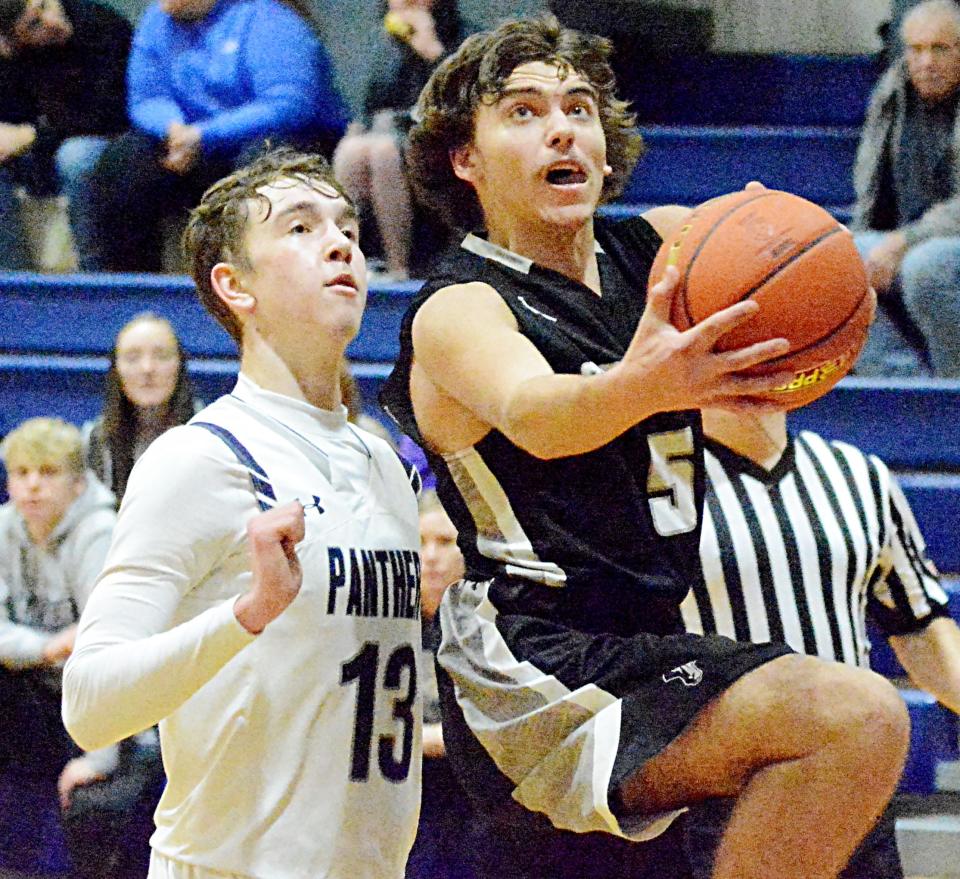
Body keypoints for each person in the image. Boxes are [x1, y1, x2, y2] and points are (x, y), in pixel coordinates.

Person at [380, 16, 910, 879]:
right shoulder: (460, 307)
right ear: (463, 160)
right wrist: (655, 383)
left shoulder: (666, 248)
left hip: (652, 641)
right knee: (854, 716)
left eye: (579, 107)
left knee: (856, 733)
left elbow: (796, 287)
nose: (562, 127)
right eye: (522, 112)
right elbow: (541, 412)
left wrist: (781, 253)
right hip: (532, 663)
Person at [62, 146, 422, 879]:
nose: (339, 241)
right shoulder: (201, 458)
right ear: (235, 286)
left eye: (346, 224)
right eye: (299, 226)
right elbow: (89, 703)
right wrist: (248, 612)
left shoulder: (381, 461)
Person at [680, 406, 960, 879]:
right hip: (710, 795)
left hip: (849, 788)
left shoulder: (859, 473)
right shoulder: (646, 480)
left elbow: (918, 625)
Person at [85, 0, 349, 272]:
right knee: (124, 161)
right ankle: (128, 288)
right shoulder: (156, 21)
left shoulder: (270, 19)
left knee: (264, 164)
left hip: (275, 139)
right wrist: (172, 129)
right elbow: (146, 97)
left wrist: (204, 135)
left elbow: (289, 104)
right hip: (190, 146)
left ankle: (263, 281)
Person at [0, 417, 118, 872]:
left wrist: (100, 757)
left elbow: (108, 646)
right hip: (41, 686)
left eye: (47, 473)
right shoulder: (6, 528)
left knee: (98, 799)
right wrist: (47, 647)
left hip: (98, 702)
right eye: (22, 473)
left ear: (77, 483)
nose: (32, 486)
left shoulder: (98, 532)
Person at [852, 0, 960, 377]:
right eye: (916, 49)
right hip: (911, 236)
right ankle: (898, 384)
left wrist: (903, 241)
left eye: (940, 48)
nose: (926, 61)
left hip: (940, 242)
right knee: (843, 260)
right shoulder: (892, 93)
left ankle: (952, 387)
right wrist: (867, 238)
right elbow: (870, 182)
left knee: (926, 266)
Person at [333, 0, 471, 280]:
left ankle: (400, 268)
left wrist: (433, 53)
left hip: (441, 144)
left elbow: (463, 103)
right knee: (351, 151)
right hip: (393, 134)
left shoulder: (465, 38)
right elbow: (374, 105)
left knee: (384, 152)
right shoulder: (388, 44)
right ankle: (347, 255)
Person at [0, 0, 131, 270]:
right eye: (34, 24)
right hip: (43, 149)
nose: (51, 21)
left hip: (110, 138)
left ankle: (95, 276)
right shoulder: (20, 53)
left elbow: (105, 114)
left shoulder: (100, 25)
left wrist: (33, 135)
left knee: (75, 156)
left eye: (47, 4)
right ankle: (14, 281)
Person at [406, 490, 477, 879]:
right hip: (405, 794)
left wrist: (421, 740)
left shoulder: (488, 625)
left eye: (445, 542)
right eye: (419, 543)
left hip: (473, 799)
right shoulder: (386, 627)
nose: (430, 557)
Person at [82, 313, 200, 506]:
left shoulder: (212, 435)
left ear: (180, 365)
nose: (147, 368)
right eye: (132, 358)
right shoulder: (95, 440)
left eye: (161, 356)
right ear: (116, 370)